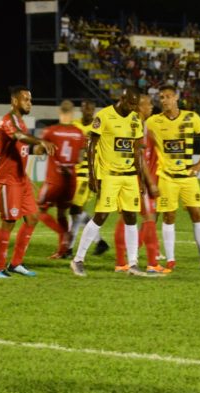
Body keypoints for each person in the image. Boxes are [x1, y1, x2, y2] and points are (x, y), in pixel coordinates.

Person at [70, 86, 156, 277]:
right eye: (131, 103)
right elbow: (91, 146)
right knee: (101, 216)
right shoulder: (104, 116)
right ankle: (77, 260)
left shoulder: (135, 119)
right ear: (122, 99)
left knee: (131, 217)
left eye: (136, 104)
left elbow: (137, 151)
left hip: (129, 176)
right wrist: (93, 175)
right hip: (109, 175)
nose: (133, 107)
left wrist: (141, 179)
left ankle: (133, 264)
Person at [146, 85, 200, 272]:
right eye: (161, 97)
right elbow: (138, 136)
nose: (164, 100)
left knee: (197, 214)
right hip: (167, 177)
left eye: (168, 96)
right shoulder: (153, 121)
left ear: (176, 97)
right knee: (169, 216)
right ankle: (170, 260)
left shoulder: (191, 117)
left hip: (188, 177)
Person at [0, 85, 56, 278]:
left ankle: (16, 263)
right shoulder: (8, 120)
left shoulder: (21, 122)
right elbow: (18, 136)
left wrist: (38, 149)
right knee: (8, 221)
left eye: (30, 100)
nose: (30, 103)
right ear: (15, 101)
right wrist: (40, 141)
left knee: (32, 217)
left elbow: (22, 145)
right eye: (26, 99)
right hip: (7, 180)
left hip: (21, 179)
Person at [114, 94, 168, 274]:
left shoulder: (131, 124)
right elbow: (139, 157)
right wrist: (151, 183)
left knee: (126, 219)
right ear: (139, 107)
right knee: (149, 218)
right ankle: (152, 263)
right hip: (138, 181)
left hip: (125, 177)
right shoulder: (138, 125)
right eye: (148, 104)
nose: (151, 107)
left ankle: (121, 262)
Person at [35, 100, 85, 258]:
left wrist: (41, 146)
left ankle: (63, 234)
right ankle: (62, 251)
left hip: (54, 180)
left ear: (59, 112)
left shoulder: (50, 131)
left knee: (38, 210)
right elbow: (80, 158)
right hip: (71, 181)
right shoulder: (79, 133)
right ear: (73, 114)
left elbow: (38, 151)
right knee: (62, 213)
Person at [66, 99, 109, 258]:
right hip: (74, 172)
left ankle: (68, 249)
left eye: (90, 108)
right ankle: (99, 242)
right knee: (76, 211)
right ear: (82, 109)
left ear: (94, 110)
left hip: (88, 174)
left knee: (75, 209)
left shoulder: (98, 126)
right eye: (85, 108)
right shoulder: (75, 125)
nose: (88, 111)